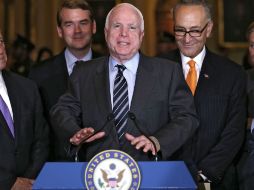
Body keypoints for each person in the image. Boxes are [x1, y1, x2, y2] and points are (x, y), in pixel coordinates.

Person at [50, 3, 199, 162]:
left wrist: (157, 141)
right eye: (117, 26)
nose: (123, 34)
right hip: (97, 174)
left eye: (132, 27)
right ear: (106, 33)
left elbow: (187, 117)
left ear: (142, 34)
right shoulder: (83, 73)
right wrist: (74, 131)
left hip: (150, 171)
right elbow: (62, 110)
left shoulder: (168, 72)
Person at [159, 0, 246, 189]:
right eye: (180, 30)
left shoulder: (232, 74)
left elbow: (235, 132)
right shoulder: (155, 69)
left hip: (217, 181)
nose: (187, 38)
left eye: (195, 30)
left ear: (209, 29)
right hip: (165, 179)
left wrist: (205, 175)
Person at [28, 0, 102, 161]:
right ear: (59, 31)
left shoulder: (112, 67)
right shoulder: (38, 75)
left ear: (94, 27)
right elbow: (35, 131)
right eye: (69, 24)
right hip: (56, 167)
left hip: (104, 164)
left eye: (83, 23)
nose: (77, 31)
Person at [0, 30, 48, 189]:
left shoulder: (27, 87)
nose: (0, 49)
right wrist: (8, 182)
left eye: (0, 42)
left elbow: (41, 138)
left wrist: (27, 180)